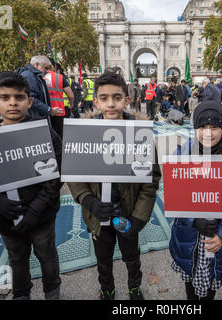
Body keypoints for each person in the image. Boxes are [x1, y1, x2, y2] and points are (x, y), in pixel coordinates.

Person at [67, 72, 161, 300]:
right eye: (104, 98)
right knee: (103, 260)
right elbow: (74, 173)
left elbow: (151, 180)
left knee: (132, 258)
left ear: (127, 100)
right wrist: (89, 202)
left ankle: (134, 290)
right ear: (96, 101)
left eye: (117, 97)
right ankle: (107, 291)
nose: (111, 103)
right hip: (98, 214)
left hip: (128, 213)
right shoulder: (83, 133)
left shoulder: (140, 133)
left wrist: (139, 217)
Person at [0, 71, 63, 300]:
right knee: (16, 258)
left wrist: (37, 207)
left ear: (29, 101)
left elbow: (58, 172)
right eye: (5, 97)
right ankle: (21, 294)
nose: (13, 102)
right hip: (5, 217)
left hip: (41, 216)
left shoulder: (44, 132)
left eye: (19, 97)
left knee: (47, 255)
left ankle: (52, 292)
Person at [170, 100, 222, 300]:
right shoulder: (182, 153)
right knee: (190, 282)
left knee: (210, 286)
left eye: (214, 127)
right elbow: (175, 197)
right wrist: (193, 221)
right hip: (189, 238)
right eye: (202, 127)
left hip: (219, 242)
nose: (208, 132)